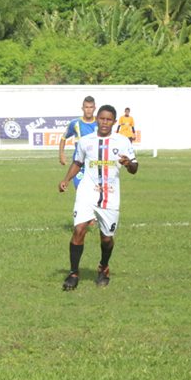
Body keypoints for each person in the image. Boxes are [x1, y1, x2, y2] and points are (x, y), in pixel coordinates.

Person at [57, 104, 138, 291]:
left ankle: (103, 266)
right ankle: (73, 273)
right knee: (79, 229)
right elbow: (77, 162)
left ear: (114, 122)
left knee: (106, 238)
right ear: (97, 119)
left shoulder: (123, 141)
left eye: (109, 119)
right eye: (101, 118)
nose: (104, 122)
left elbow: (135, 167)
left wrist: (128, 164)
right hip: (87, 190)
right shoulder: (86, 141)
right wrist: (66, 180)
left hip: (110, 193)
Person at [58, 95, 97, 190]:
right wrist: (61, 154)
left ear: (95, 108)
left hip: (95, 164)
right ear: (82, 108)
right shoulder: (75, 123)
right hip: (79, 165)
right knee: (80, 192)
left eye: (91, 107)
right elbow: (63, 138)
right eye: (86, 107)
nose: (88, 110)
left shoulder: (99, 123)